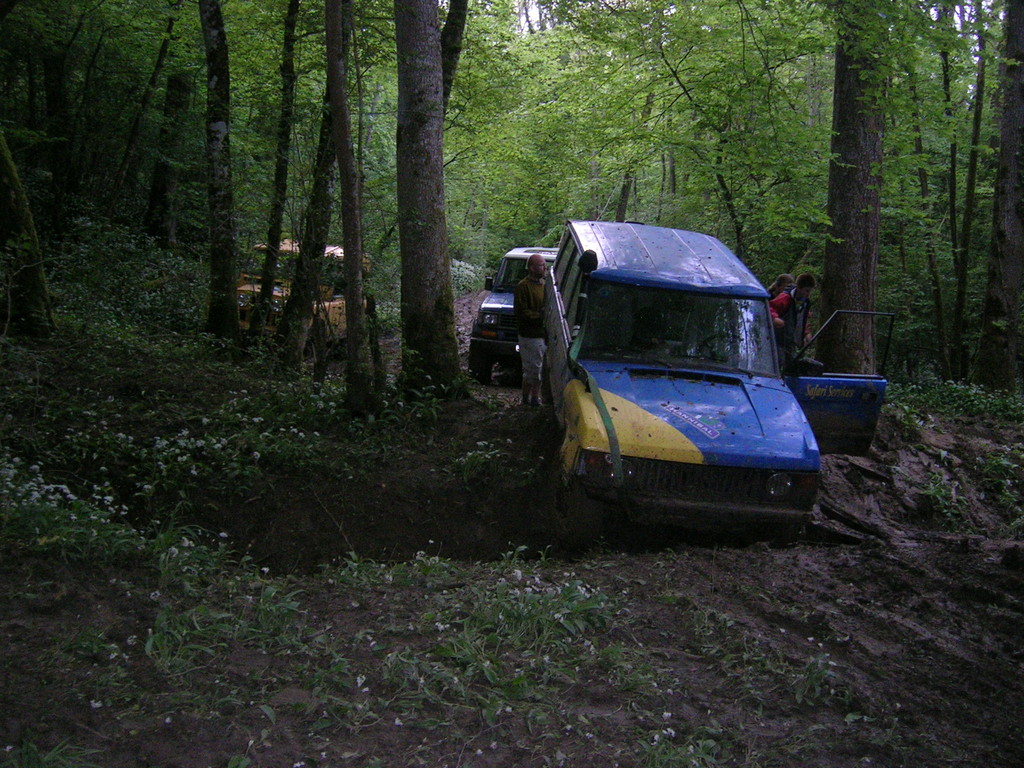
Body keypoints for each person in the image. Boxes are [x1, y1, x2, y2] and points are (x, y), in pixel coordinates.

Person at [514, 253, 547, 406]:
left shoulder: (546, 286)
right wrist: (540, 316)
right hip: (529, 335)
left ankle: (535, 397)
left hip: (543, 334)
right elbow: (521, 312)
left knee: (541, 369)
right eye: (541, 265)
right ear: (532, 268)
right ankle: (526, 399)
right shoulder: (523, 286)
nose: (544, 268)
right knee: (532, 369)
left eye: (545, 265)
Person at [769, 272, 815, 370]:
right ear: (799, 288)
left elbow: (801, 319)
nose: (808, 294)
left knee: (792, 367)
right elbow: (769, 307)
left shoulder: (805, 302)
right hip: (778, 341)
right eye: (807, 291)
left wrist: (806, 333)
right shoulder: (785, 298)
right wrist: (775, 318)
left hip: (791, 343)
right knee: (778, 364)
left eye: (810, 291)